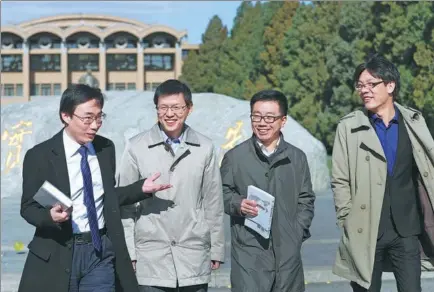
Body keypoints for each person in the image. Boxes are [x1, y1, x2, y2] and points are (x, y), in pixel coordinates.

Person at [18, 84, 171, 292]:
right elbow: (28, 207)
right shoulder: (40, 156)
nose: (95, 125)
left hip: (100, 250)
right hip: (61, 250)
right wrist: (49, 217)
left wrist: (140, 188)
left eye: (99, 117)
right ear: (66, 116)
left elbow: (104, 196)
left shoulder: (105, 148)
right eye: (87, 118)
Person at [331, 54, 434, 291]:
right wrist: (346, 218)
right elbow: (339, 179)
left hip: (407, 230)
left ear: (390, 85)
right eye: (360, 85)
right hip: (365, 229)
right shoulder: (349, 127)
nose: (364, 90)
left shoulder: (414, 122)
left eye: (371, 84)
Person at [118, 79, 225, 292]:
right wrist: (128, 252)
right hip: (151, 257)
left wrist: (217, 249)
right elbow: (125, 204)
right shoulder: (136, 147)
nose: (170, 114)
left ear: (189, 109)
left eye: (176, 107)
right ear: (156, 108)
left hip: (192, 253)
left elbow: (213, 202)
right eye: (163, 107)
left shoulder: (204, 147)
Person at [220, 89, 315, 292]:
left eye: (270, 117)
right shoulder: (235, 158)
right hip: (249, 254)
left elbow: (306, 199)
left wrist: (297, 233)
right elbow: (221, 194)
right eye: (257, 116)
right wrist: (238, 204)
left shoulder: (297, 158)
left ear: (283, 120)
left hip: (287, 255)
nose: (262, 123)